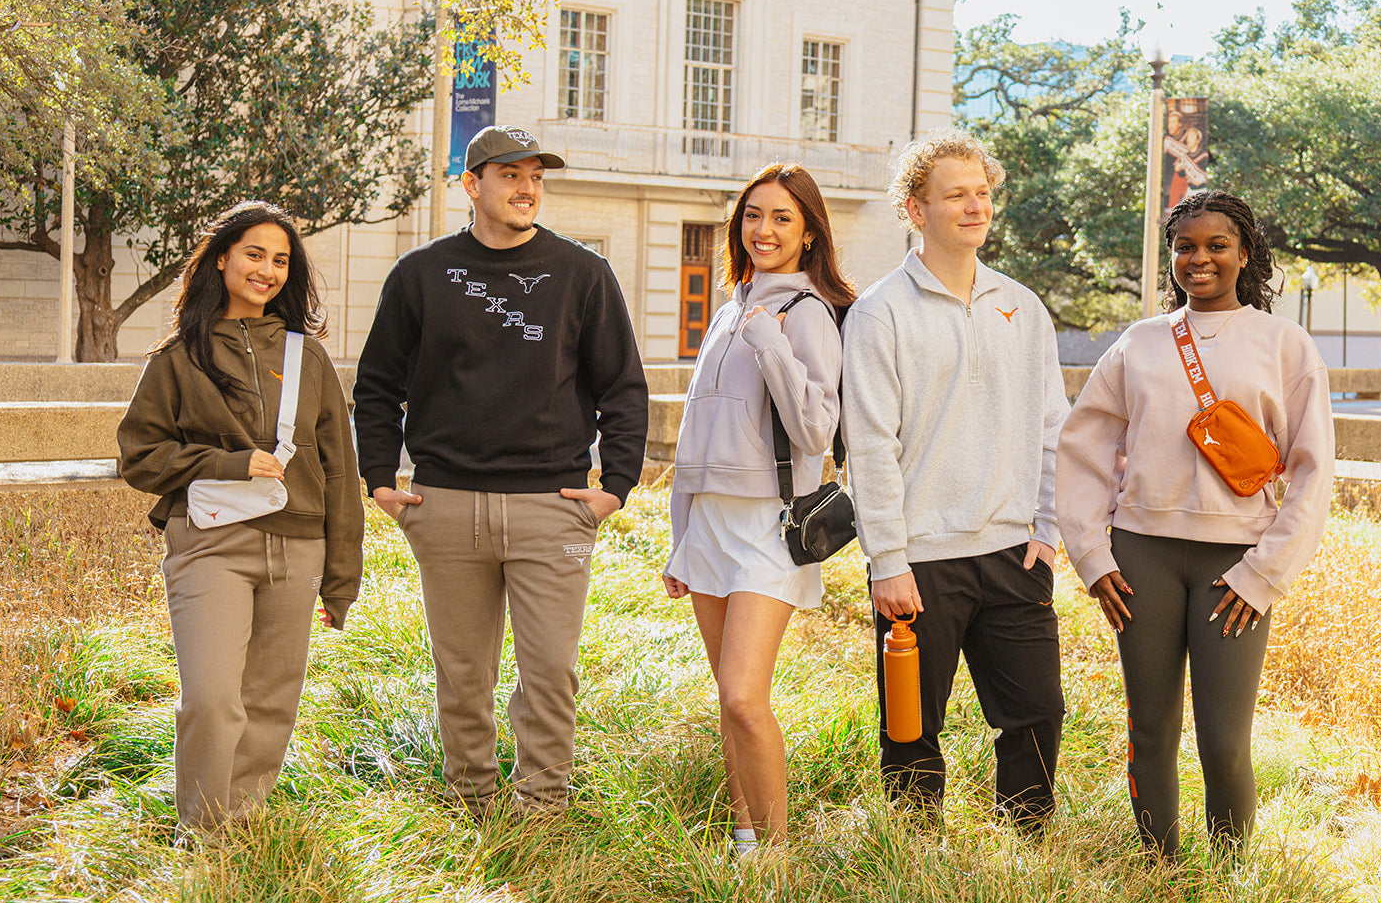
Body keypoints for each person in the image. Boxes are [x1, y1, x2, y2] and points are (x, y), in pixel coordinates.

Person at [353, 125, 648, 818]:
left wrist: (614, 489)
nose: (526, 188)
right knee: (462, 675)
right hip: (446, 506)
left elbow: (623, 389)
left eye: (536, 177)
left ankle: (542, 808)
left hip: (555, 509)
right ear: (471, 184)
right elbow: (376, 386)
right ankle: (472, 804)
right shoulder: (420, 275)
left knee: (550, 672)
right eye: (510, 175)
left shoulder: (583, 274)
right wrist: (379, 479)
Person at [1056, 190, 1334, 859]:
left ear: (1244, 253)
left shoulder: (1285, 345)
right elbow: (1082, 449)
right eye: (1186, 246)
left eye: (1216, 245)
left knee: (1225, 740)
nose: (1199, 258)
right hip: (1142, 556)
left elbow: (1313, 469)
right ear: (1172, 255)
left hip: (1235, 568)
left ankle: (1232, 879)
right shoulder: (1139, 343)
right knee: (1150, 728)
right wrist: (1094, 557)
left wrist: (1264, 574)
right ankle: (1161, 870)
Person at [842, 130, 1069, 830]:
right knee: (911, 725)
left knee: (1036, 715)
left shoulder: (1022, 306)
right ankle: (914, 853)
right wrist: (887, 558)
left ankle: (1026, 846)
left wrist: (1050, 530)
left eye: (982, 194)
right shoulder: (880, 312)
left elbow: (1054, 427)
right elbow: (870, 445)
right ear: (915, 209)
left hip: (1012, 552)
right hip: (920, 559)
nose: (975, 208)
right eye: (956, 196)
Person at [117, 200, 363, 839]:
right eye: (254, 254)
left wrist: (341, 578)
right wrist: (228, 463)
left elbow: (340, 472)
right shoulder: (178, 357)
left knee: (272, 701)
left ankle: (239, 826)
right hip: (210, 545)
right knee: (211, 698)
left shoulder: (308, 358)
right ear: (221, 257)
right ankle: (198, 832)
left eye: (281, 260)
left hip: (300, 546)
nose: (268, 270)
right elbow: (140, 456)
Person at [661, 162, 854, 851]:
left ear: (808, 235)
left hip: (771, 526)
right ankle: (745, 841)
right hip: (709, 524)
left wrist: (771, 344)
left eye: (781, 218)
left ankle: (776, 857)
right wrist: (680, 539)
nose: (763, 229)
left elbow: (814, 432)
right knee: (727, 701)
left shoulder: (807, 315)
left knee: (744, 696)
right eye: (753, 215)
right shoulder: (726, 309)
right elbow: (694, 437)